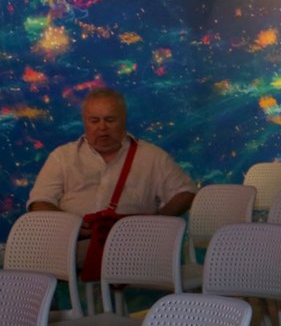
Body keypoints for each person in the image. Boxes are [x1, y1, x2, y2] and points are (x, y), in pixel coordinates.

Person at [28, 86, 195, 231]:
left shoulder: (152, 157)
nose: (102, 127)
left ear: (123, 120)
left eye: (110, 120)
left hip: (132, 248)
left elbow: (186, 193)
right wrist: (72, 228)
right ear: (84, 122)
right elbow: (39, 202)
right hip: (70, 247)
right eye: (94, 121)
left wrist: (155, 223)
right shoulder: (62, 157)